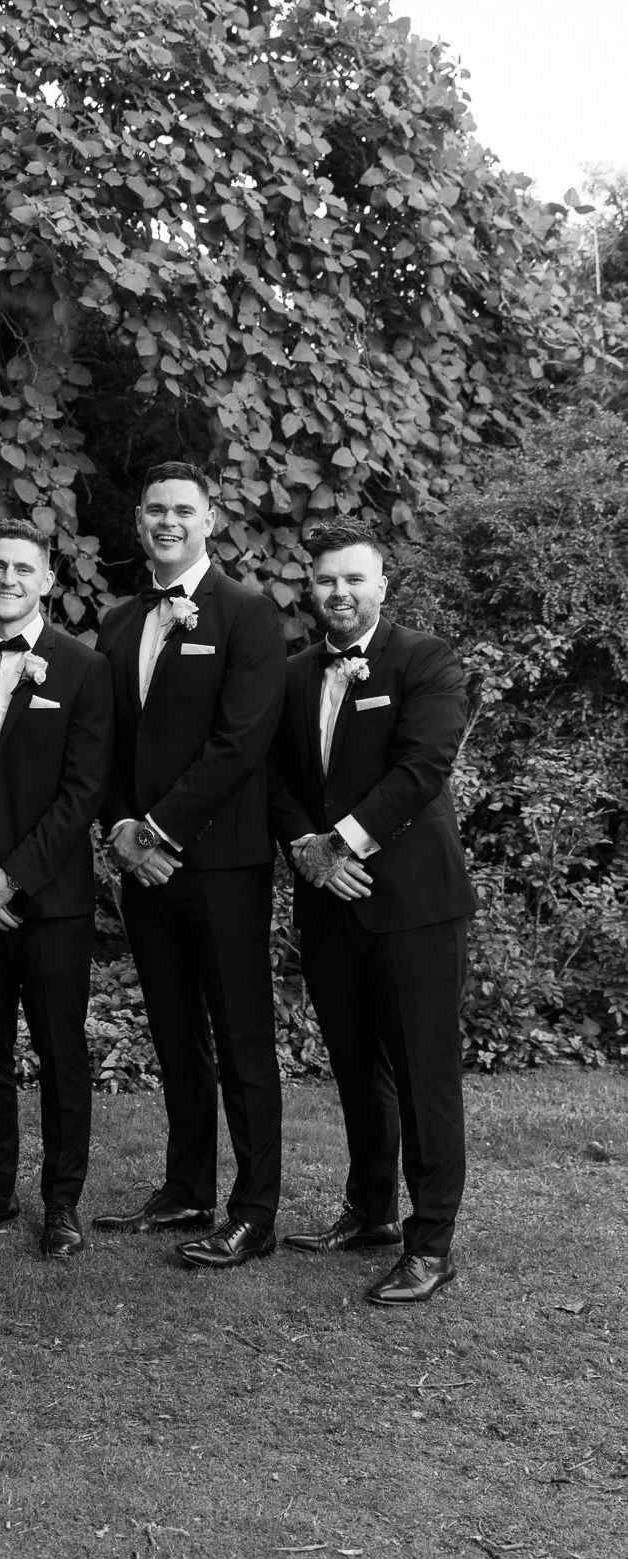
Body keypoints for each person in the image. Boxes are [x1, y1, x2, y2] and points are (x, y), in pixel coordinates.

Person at [269, 517, 475, 1305]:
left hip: (411, 904)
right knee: (356, 1067)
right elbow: (277, 780)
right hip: (329, 904)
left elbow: (422, 766)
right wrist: (304, 848)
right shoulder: (292, 675)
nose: (338, 593)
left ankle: (431, 1244)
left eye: (353, 578)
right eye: (325, 580)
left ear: (380, 584)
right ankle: (369, 1212)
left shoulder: (425, 660)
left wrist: (341, 845)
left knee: (423, 1075)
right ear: (310, 588)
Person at [92, 461, 287, 1270]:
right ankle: (184, 1188)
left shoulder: (248, 614)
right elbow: (101, 741)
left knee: (240, 1039)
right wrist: (120, 833)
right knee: (174, 1032)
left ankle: (254, 1210)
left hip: (220, 863)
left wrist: (159, 831)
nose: (166, 522)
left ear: (209, 520)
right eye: (153, 511)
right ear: (138, 523)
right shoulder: (116, 620)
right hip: (144, 865)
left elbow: (240, 742)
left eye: (182, 510)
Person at [0, 520, 113, 1259]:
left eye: (21, 569)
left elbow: (82, 792)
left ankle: (61, 1202)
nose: (6, 579)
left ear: (45, 582)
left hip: (49, 902)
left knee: (59, 1053)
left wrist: (13, 876)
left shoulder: (81, 667)